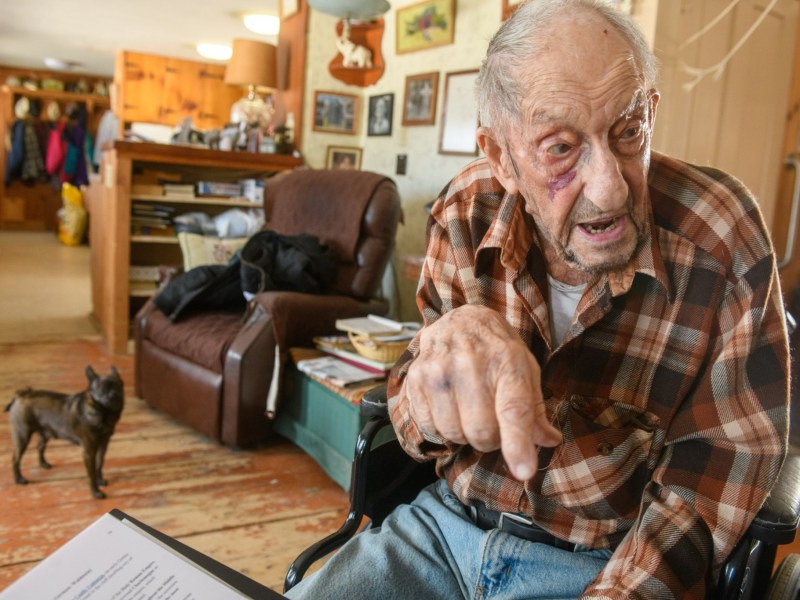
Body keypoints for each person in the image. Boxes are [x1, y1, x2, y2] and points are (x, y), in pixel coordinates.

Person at [286, 0, 790, 598]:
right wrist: (430, 384)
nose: (609, 188)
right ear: (500, 156)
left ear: (650, 111)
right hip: (442, 528)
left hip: (603, 561)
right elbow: (408, 412)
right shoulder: (465, 212)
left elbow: (720, 470)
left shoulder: (721, 234)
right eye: (560, 147)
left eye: (628, 131)